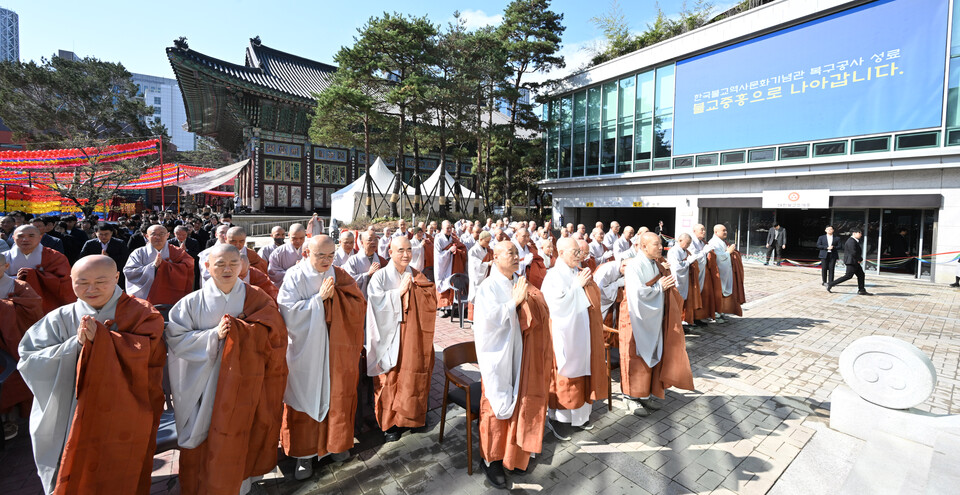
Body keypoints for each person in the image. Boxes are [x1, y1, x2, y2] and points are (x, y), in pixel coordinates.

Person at [18, 255, 165, 494]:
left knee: (120, 469)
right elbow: (29, 359)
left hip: (123, 407)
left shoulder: (141, 313)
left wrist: (103, 341)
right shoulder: (59, 317)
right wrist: (75, 345)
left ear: (117, 278)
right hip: (69, 409)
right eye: (82, 281)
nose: (91, 288)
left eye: (101, 281)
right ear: (71, 281)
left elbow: (151, 355)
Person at [165, 245, 288, 495]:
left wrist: (242, 331)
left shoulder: (257, 297)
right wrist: (214, 337)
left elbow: (276, 334)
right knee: (208, 434)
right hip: (204, 383)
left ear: (243, 266)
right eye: (220, 263)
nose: (227, 269)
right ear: (208, 267)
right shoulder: (189, 303)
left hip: (246, 381)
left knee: (243, 432)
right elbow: (176, 339)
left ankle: (240, 485)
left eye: (233, 263)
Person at [277, 236, 366, 480]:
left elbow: (358, 302)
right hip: (306, 351)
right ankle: (303, 456)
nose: (327, 260)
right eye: (320, 256)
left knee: (336, 394)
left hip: (335, 348)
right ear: (307, 253)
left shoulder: (339, 274)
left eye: (331, 255)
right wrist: (320, 301)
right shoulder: (295, 276)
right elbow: (287, 311)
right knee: (305, 396)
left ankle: (336, 445)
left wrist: (336, 302)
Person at [473, 241, 553, 489]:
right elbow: (488, 321)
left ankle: (510, 454)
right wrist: (513, 303)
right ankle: (490, 460)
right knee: (494, 408)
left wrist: (523, 299)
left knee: (517, 401)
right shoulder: (487, 287)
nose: (517, 256)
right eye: (510, 252)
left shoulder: (514, 282)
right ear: (495, 257)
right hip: (496, 356)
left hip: (518, 352)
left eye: (518, 253)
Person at [364, 236, 437, 442]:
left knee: (413, 377)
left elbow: (430, 296)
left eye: (409, 250)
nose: (406, 254)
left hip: (412, 336)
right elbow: (376, 305)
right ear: (390, 252)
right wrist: (400, 293)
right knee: (390, 379)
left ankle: (411, 418)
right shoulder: (379, 277)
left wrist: (418, 291)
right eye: (400, 250)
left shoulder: (416, 274)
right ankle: (391, 424)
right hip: (388, 335)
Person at [618, 232, 694, 416]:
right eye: (656, 244)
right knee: (634, 357)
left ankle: (644, 395)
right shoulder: (634, 265)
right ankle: (629, 397)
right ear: (643, 247)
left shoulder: (655, 263)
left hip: (652, 316)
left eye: (660, 244)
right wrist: (659, 286)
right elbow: (637, 293)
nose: (661, 247)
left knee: (651, 353)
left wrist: (662, 284)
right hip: (635, 316)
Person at [540, 237, 607, 440]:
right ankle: (559, 419)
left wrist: (586, 285)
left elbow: (592, 298)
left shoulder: (577, 272)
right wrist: (578, 286)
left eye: (580, 252)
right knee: (564, 373)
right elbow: (555, 305)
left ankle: (580, 416)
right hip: (564, 333)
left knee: (584, 370)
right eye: (575, 252)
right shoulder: (552, 276)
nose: (580, 256)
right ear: (560, 253)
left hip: (582, 332)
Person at [0, 251, 44, 439]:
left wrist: (4, 307)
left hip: (14, 340)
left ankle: (11, 419)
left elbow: (33, 306)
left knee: (14, 380)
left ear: (6, 266)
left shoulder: (18, 285)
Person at [5, 226, 75, 314]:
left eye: (31, 236)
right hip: (11, 306)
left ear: (40, 237)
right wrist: (17, 279)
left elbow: (64, 282)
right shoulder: (4, 257)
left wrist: (33, 275)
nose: (25, 239)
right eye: (21, 236)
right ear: (13, 238)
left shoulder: (54, 257)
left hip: (46, 303)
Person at [123, 225, 195, 305]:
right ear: (147, 236)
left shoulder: (177, 252)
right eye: (153, 234)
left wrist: (165, 266)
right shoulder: (138, 253)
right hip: (146, 297)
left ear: (168, 235)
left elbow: (188, 266)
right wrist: (153, 267)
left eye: (161, 234)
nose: (157, 237)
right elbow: (129, 272)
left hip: (170, 295)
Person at [704, 225, 746, 322]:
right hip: (718, 273)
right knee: (717, 292)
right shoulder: (713, 242)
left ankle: (720, 311)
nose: (725, 232)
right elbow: (718, 258)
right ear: (716, 232)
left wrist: (729, 251)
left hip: (725, 272)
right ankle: (716, 313)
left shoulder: (721, 242)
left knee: (723, 293)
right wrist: (728, 252)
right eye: (723, 230)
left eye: (726, 230)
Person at [667, 233, 702, 326]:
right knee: (676, 302)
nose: (688, 246)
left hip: (684, 279)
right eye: (687, 243)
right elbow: (677, 267)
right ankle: (675, 324)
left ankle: (681, 322)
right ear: (680, 241)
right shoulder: (673, 251)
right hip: (677, 279)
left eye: (689, 244)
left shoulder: (685, 251)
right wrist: (688, 261)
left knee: (682, 302)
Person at [434, 220, 467, 316]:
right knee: (442, 285)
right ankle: (441, 308)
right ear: (442, 228)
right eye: (447, 228)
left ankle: (449, 307)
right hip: (442, 266)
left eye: (450, 228)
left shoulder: (452, 238)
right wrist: (449, 251)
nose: (449, 230)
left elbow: (461, 246)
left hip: (451, 264)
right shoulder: (438, 238)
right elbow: (438, 255)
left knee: (450, 284)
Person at [827, 228, 871, 295]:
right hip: (851, 262)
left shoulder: (854, 241)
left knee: (861, 275)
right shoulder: (851, 241)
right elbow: (853, 252)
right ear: (854, 233)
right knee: (848, 276)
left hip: (854, 261)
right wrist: (859, 259)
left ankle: (862, 290)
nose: (861, 234)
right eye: (859, 233)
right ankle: (831, 284)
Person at [344, 230, 387, 298]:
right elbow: (348, 282)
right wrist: (367, 274)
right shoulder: (353, 260)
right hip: (359, 301)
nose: (374, 242)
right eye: (370, 240)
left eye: (376, 239)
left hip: (377, 300)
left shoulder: (382, 261)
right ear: (362, 243)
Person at [467, 231, 494, 319]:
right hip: (477, 278)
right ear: (481, 239)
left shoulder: (488, 250)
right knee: (476, 296)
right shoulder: (473, 251)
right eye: (486, 241)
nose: (488, 243)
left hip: (486, 277)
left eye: (489, 241)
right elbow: (475, 266)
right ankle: (473, 319)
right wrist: (487, 264)